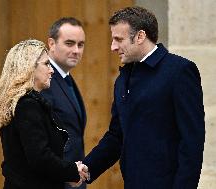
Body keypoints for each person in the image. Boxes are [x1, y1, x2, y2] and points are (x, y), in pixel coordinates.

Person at [83, 6, 205, 189]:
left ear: (140, 36)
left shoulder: (179, 71)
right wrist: (87, 167)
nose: (113, 47)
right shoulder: (123, 79)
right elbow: (117, 136)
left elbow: (191, 142)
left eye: (118, 39)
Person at [0, 39, 89, 189]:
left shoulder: (25, 103)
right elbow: (40, 157)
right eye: (46, 64)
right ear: (29, 68)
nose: (52, 70)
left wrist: (68, 172)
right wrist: (72, 171)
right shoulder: (27, 105)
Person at [41, 17, 87, 189]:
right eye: (69, 43)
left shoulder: (65, 78)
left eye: (80, 44)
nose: (76, 50)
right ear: (51, 43)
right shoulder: (44, 81)